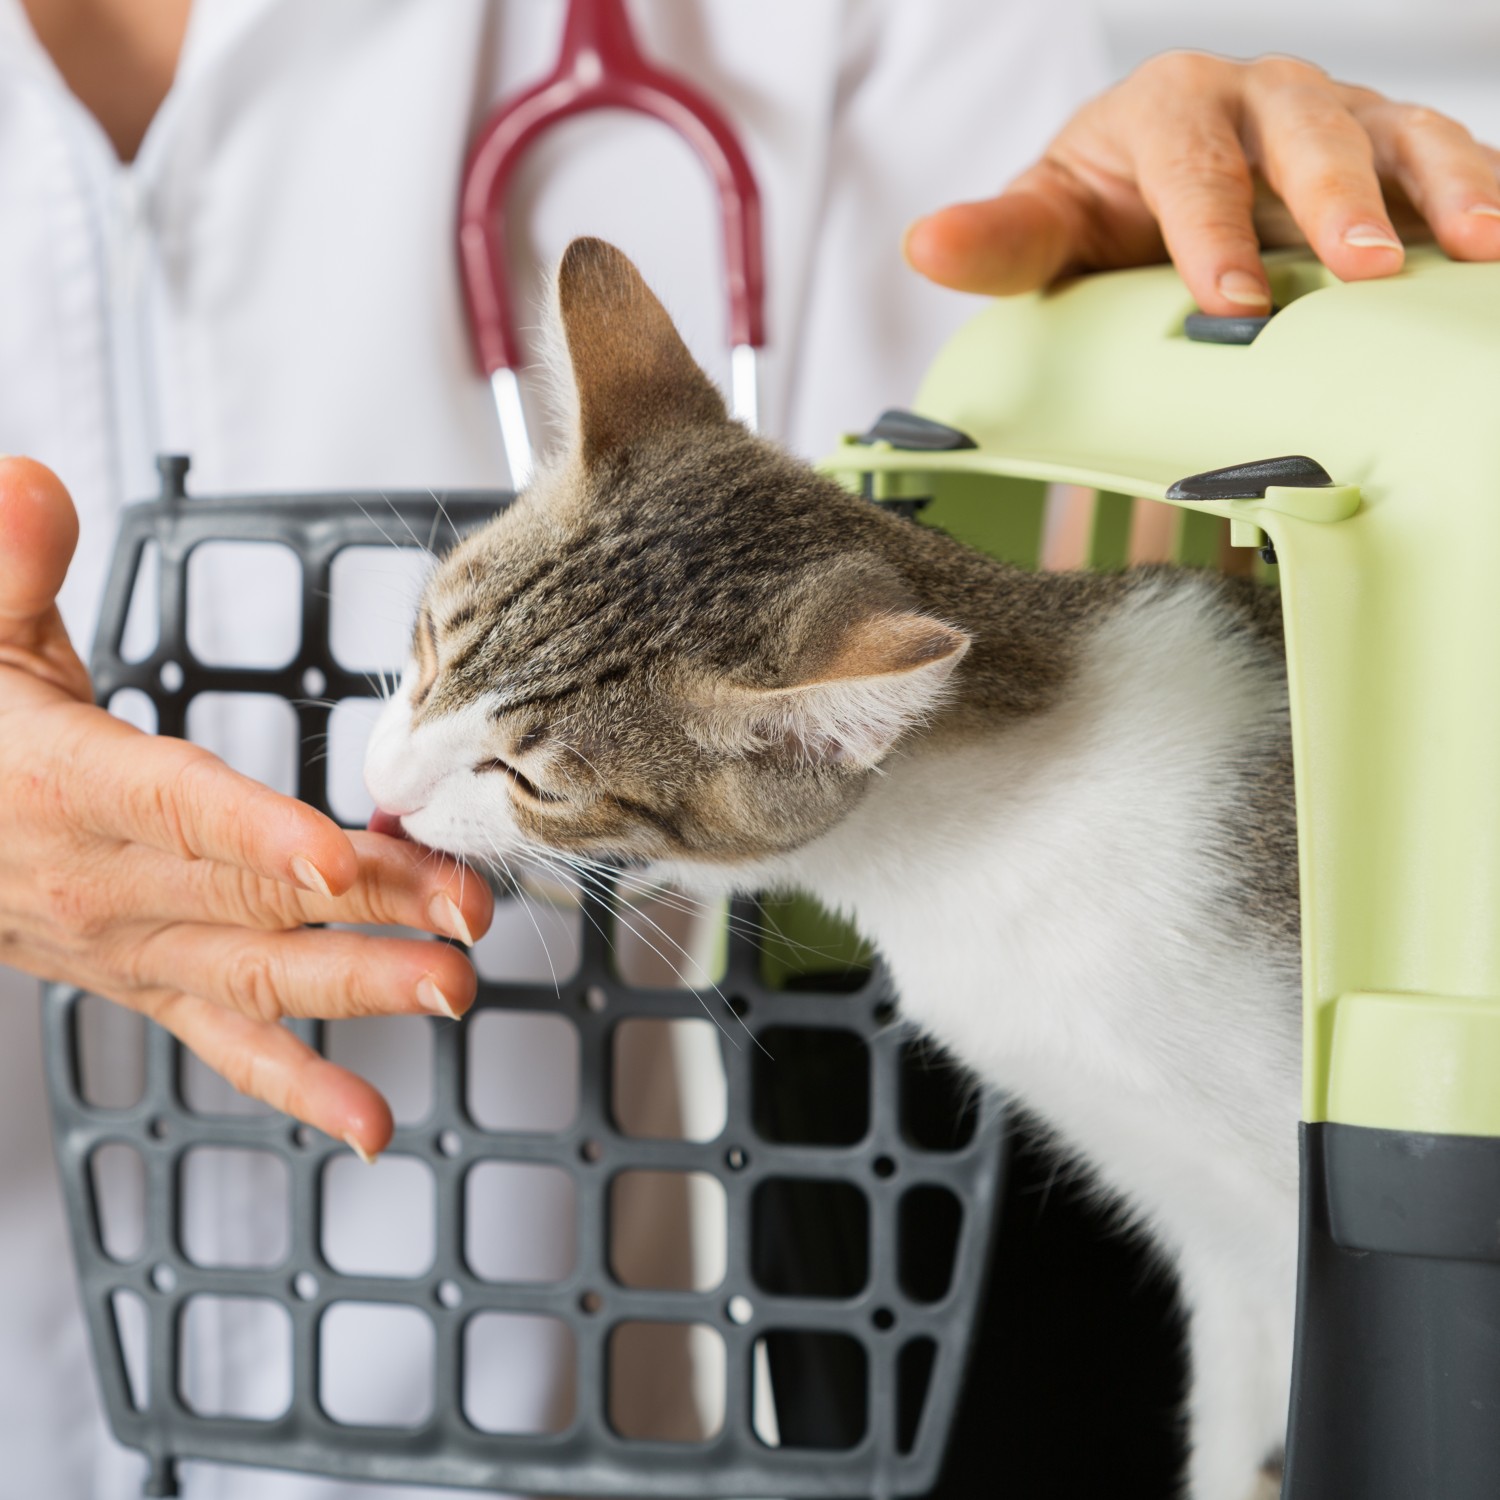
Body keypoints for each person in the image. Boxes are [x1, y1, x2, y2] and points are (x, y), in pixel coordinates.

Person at [1, 2, 1496, 1495]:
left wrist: (1214, 247)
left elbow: (1016, 387)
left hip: (540, 1390)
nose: (380, 776)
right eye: (432, 648)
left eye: (512, 764)